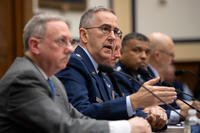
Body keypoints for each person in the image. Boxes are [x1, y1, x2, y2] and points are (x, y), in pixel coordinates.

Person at [0, 13, 152, 133]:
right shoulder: (24, 78)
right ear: (35, 45)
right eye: (61, 41)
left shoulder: (52, 79)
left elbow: (80, 118)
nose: (70, 49)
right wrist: (126, 128)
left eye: (70, 41)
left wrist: (130, 123)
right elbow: (62, 128)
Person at [56, 6, 176, 129]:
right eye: (105, 29)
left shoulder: (102, 69)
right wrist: (134, 101)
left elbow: (113, 110)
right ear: (84, 35)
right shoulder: (72, 63)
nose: (113, 37)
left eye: (116, 31)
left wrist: (150, 116)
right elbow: (80, 114)